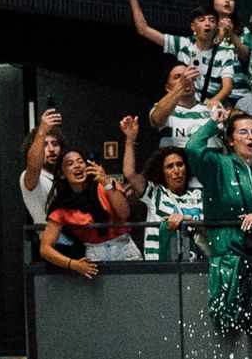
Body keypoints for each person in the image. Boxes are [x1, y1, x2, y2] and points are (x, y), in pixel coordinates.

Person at [182, 111, 252, 336]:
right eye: (243, 132)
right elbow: (192, 148)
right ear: (230, 139)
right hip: (229, 256)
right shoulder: (218, 165)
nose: (251, 137)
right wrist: (214, 123)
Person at [125, 0, 236, 105]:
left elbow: (227, 87)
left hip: (209, 108)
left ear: (216, 27)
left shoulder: (224, 53)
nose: (207, 23)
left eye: (211, 20)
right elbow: (143, 29)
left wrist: (211, 103)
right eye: (201, 19)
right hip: (185, 105)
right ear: (193, 26)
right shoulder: (183, 44)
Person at [39, 147, 140, 276]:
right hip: (94, 256)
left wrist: (106, 182)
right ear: (61, 174)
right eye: (70, 164)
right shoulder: (62, 206)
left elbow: (124, 213)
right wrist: (73, 264)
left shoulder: (106, 186)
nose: (77, 166)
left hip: (125, 249)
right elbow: (45, 249)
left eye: (80, 162)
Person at [118, 116, 202, 261]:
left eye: (180, 164)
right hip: (160, 270)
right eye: (170, 167)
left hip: (192, 267)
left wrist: (189, 222)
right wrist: (130, 140)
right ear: (161, 172)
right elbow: (130, 174)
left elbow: (207, 232)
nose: (176, 170)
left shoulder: (197, 197)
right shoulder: (156, 194)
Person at [19, 107, 65, 225]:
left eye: (55, 144)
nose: (51, 149)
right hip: (52, 239)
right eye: (45, 145)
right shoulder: (31, 177)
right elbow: (34, 166)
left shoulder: (63, 176)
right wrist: (41, 132)